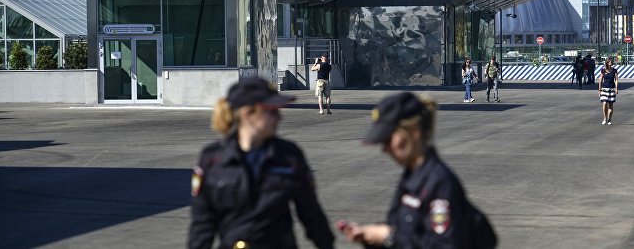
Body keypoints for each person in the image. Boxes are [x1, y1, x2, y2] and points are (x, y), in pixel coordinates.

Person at [188, 77, 335, 249]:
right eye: (271, 111)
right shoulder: (213, 159)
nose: (279, 117)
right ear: (248, 114)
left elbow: (311, 214)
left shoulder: (289, 156)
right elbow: (202, 223)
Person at [337, 92, 497, 248]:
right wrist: (369, 235)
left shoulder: (439, 183)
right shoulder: (411, 177)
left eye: (388, 140)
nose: (384, 149)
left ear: (414, 133)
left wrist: (388, 236)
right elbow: (404, 232)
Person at [598, 57, 619, 126]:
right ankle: (604, 118)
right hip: (604, 89)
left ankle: (609, 120)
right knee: (604, 103)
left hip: (612, 89)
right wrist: (599, 89)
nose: (611, 63)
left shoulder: (614, 70)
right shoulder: (603, 70)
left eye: (611, 62)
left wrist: (616, 88)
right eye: (609, 61)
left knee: (610, 105)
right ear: (607, 62)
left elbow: (616, 79)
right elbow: (600, 79)